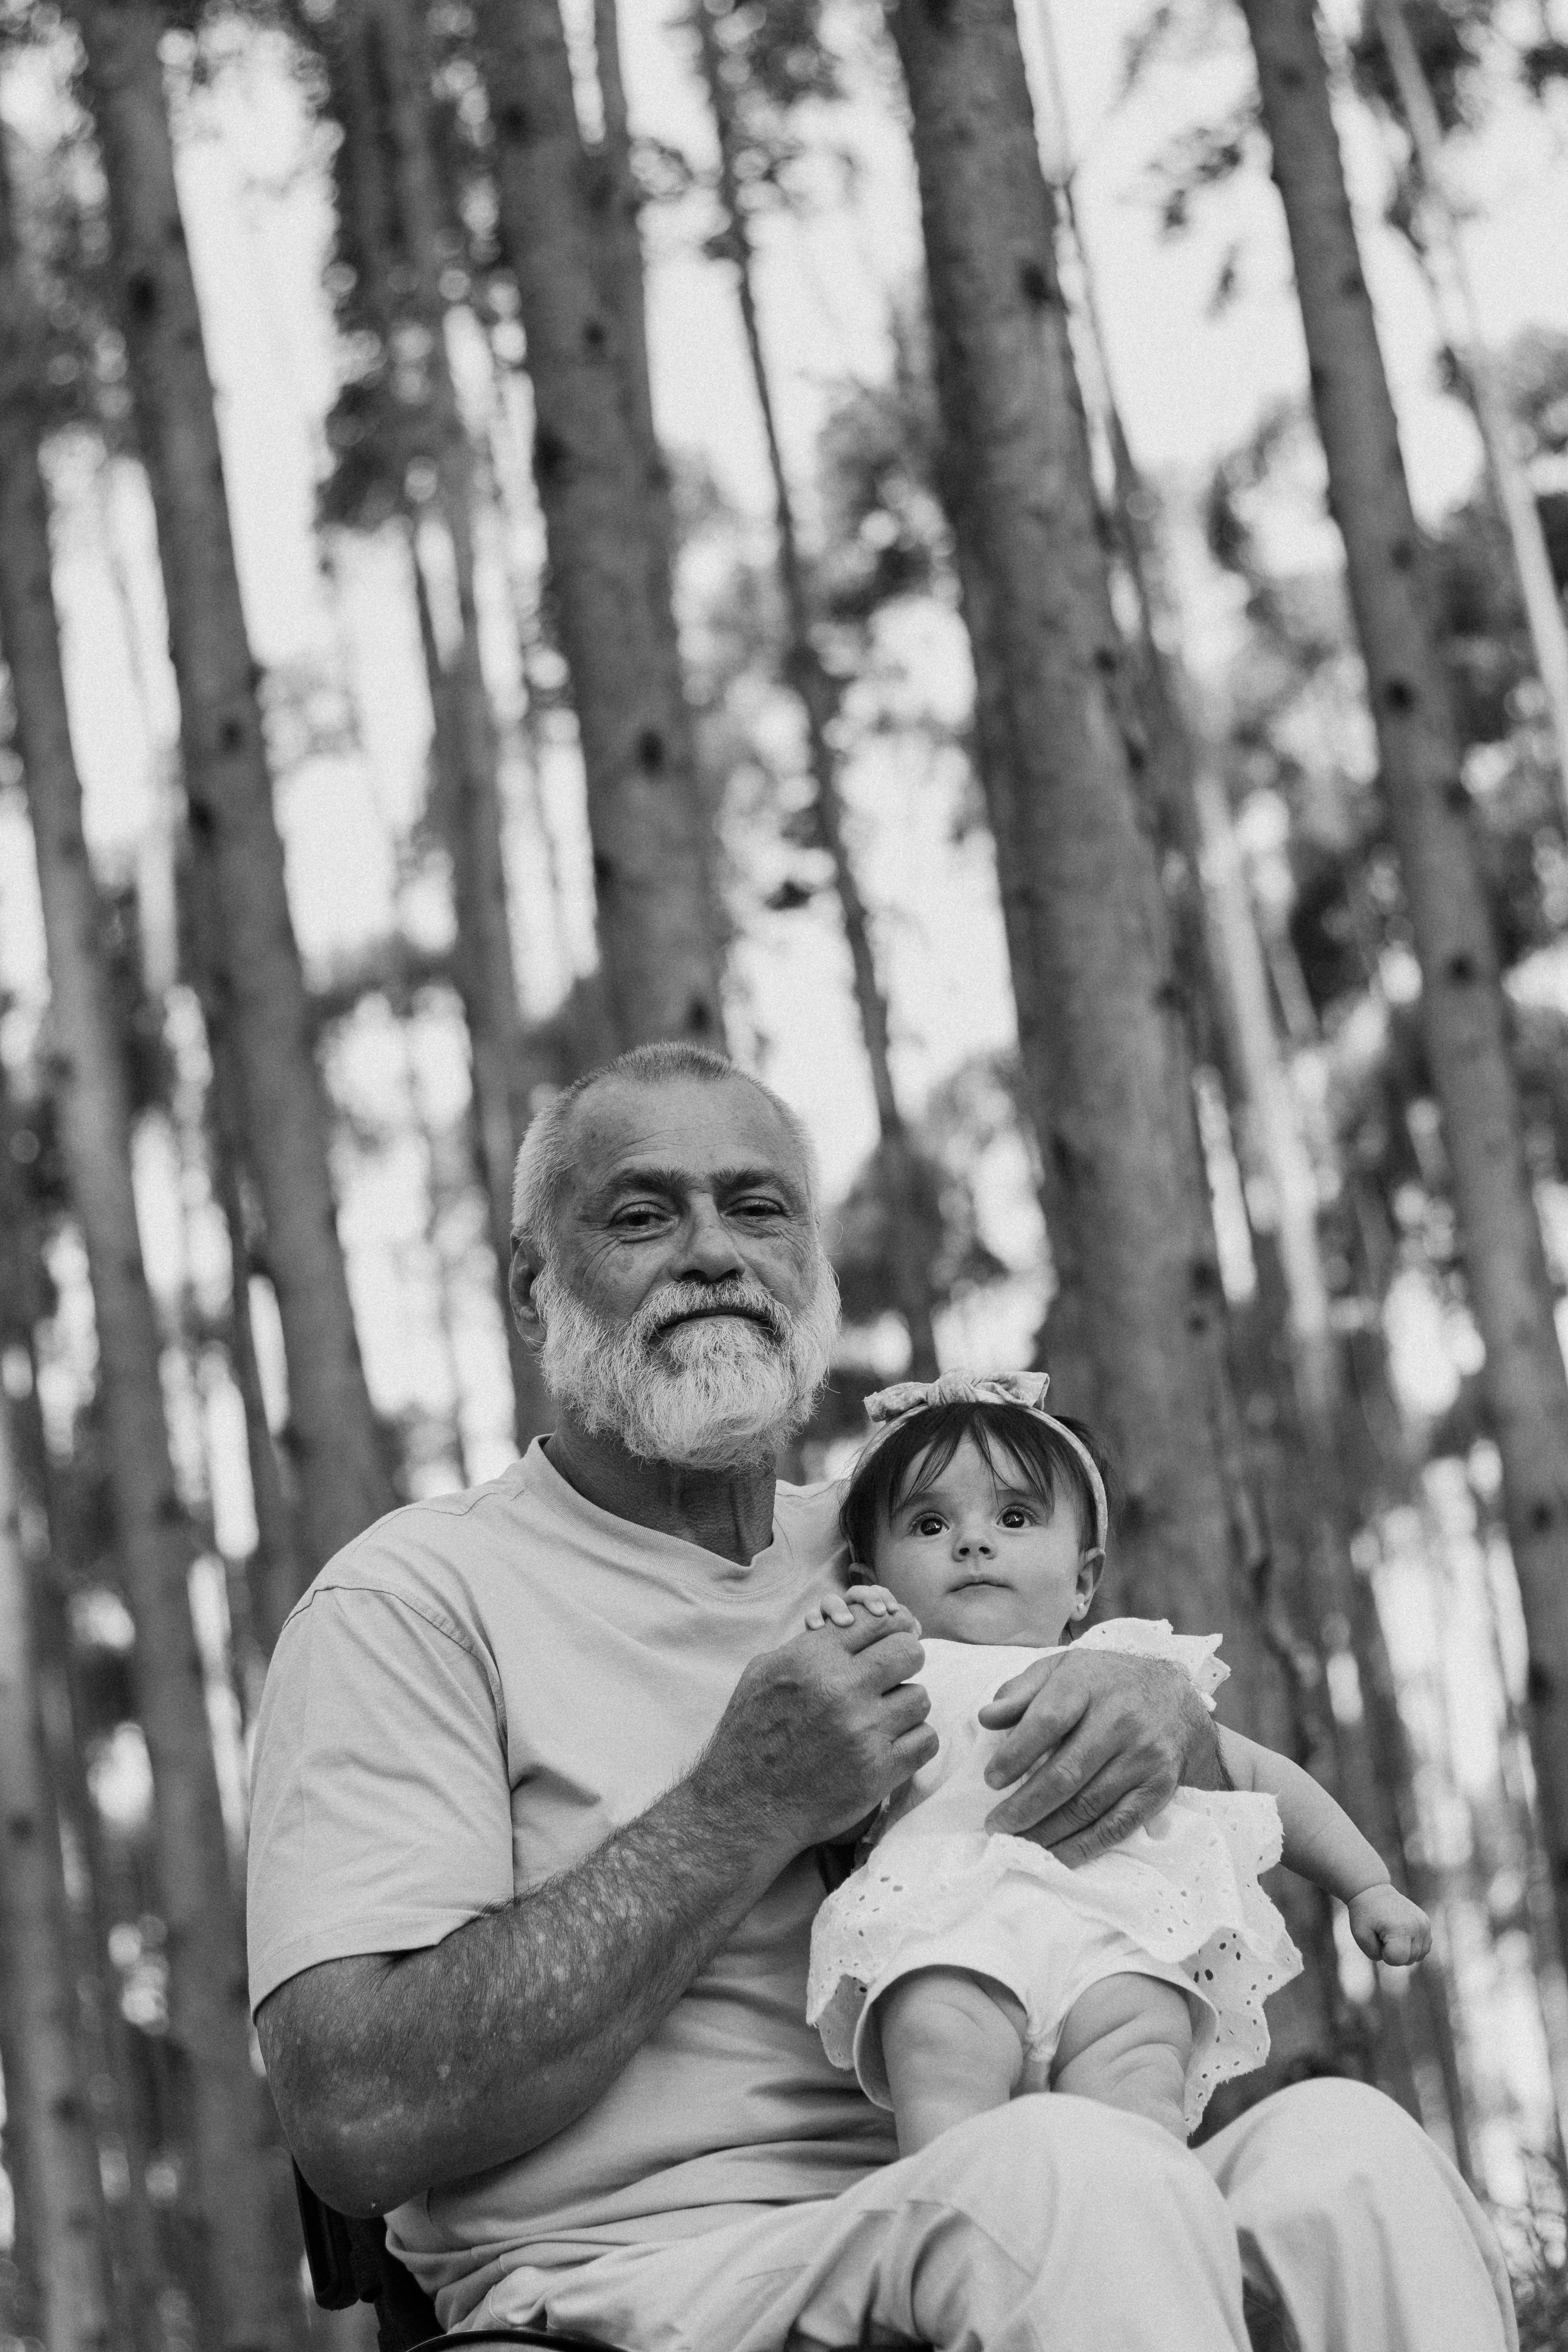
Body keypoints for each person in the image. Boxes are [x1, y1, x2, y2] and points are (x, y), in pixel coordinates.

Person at [247, 1042, 1517, 2352]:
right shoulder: (411, 1602)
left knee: (1348, 2159)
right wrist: (739, 1809)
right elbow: (355, 2116)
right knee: (1070, 2179)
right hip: (654, 2286)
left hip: (1031, 2198)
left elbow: (1138, 1753)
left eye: (758, 1208)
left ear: (813, 1269)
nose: (712, 1254)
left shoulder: (913, 1541)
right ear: (532, 1288)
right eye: (642, 1215)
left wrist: (1164, 1728)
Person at [803, 1372, 1431, 2153]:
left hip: (1118, 1942)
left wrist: (1365, 1884)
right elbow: (825, 1782)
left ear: (1083, 1580)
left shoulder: (1129, 1669)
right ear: (871, 1578)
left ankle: (1149, 2238)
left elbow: (1260, 1780)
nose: (972, 1540)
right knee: (942, 2073)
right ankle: (962, 2234)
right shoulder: (894, 1673)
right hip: (944, 1938)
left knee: (1136, 2097)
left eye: (1014, 1516)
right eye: (928, 1525)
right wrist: (839, 1640)